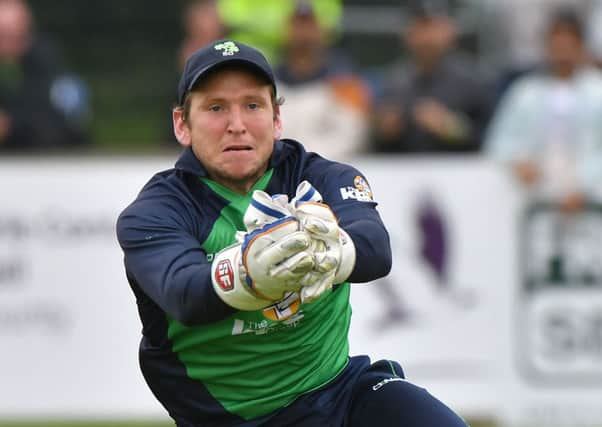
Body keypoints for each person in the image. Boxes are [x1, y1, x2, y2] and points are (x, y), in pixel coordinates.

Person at [116, 39, 469, 426]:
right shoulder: (155, 211)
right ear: (182, 124)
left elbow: (376, 249)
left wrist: (338, 251)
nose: (237, 125)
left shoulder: (319, 176)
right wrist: (250, 273)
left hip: (339, 394)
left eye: (253, 105)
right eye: (216, 108)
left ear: (277, 119)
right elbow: (183, 294)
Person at [485, 8, 602, 213]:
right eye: (556, 41)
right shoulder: (525, 92)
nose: (562, 48)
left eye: (569, 41)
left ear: (581, 45)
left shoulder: (598, 91)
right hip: (535, 201)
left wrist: (584, 185)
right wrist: (518, 161)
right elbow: (498, 142)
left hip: (591, 201)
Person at [370, 0, 493, 154]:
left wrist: (453, 129)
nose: (427, 37)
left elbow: (492, 138)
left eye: (434, 27)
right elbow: (374, 141)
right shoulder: (393, 82)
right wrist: (384, 132)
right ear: (407, 34)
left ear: (450, 31)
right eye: (420, 27)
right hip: (404, 171)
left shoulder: (473, 81)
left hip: (459, 171)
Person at [274, 0, 371, 160]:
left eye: (310, 25)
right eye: (297, 24)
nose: (303, 33)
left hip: (329, 171)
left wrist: (311, 162)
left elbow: (354, 135)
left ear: (323, 31)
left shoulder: (345, 83)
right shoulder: (269, 83)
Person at [0, 0, 90, 152]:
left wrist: (11, 125)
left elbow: (65, 126)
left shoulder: (54, 74)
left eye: (11, 36)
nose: (6, 44)